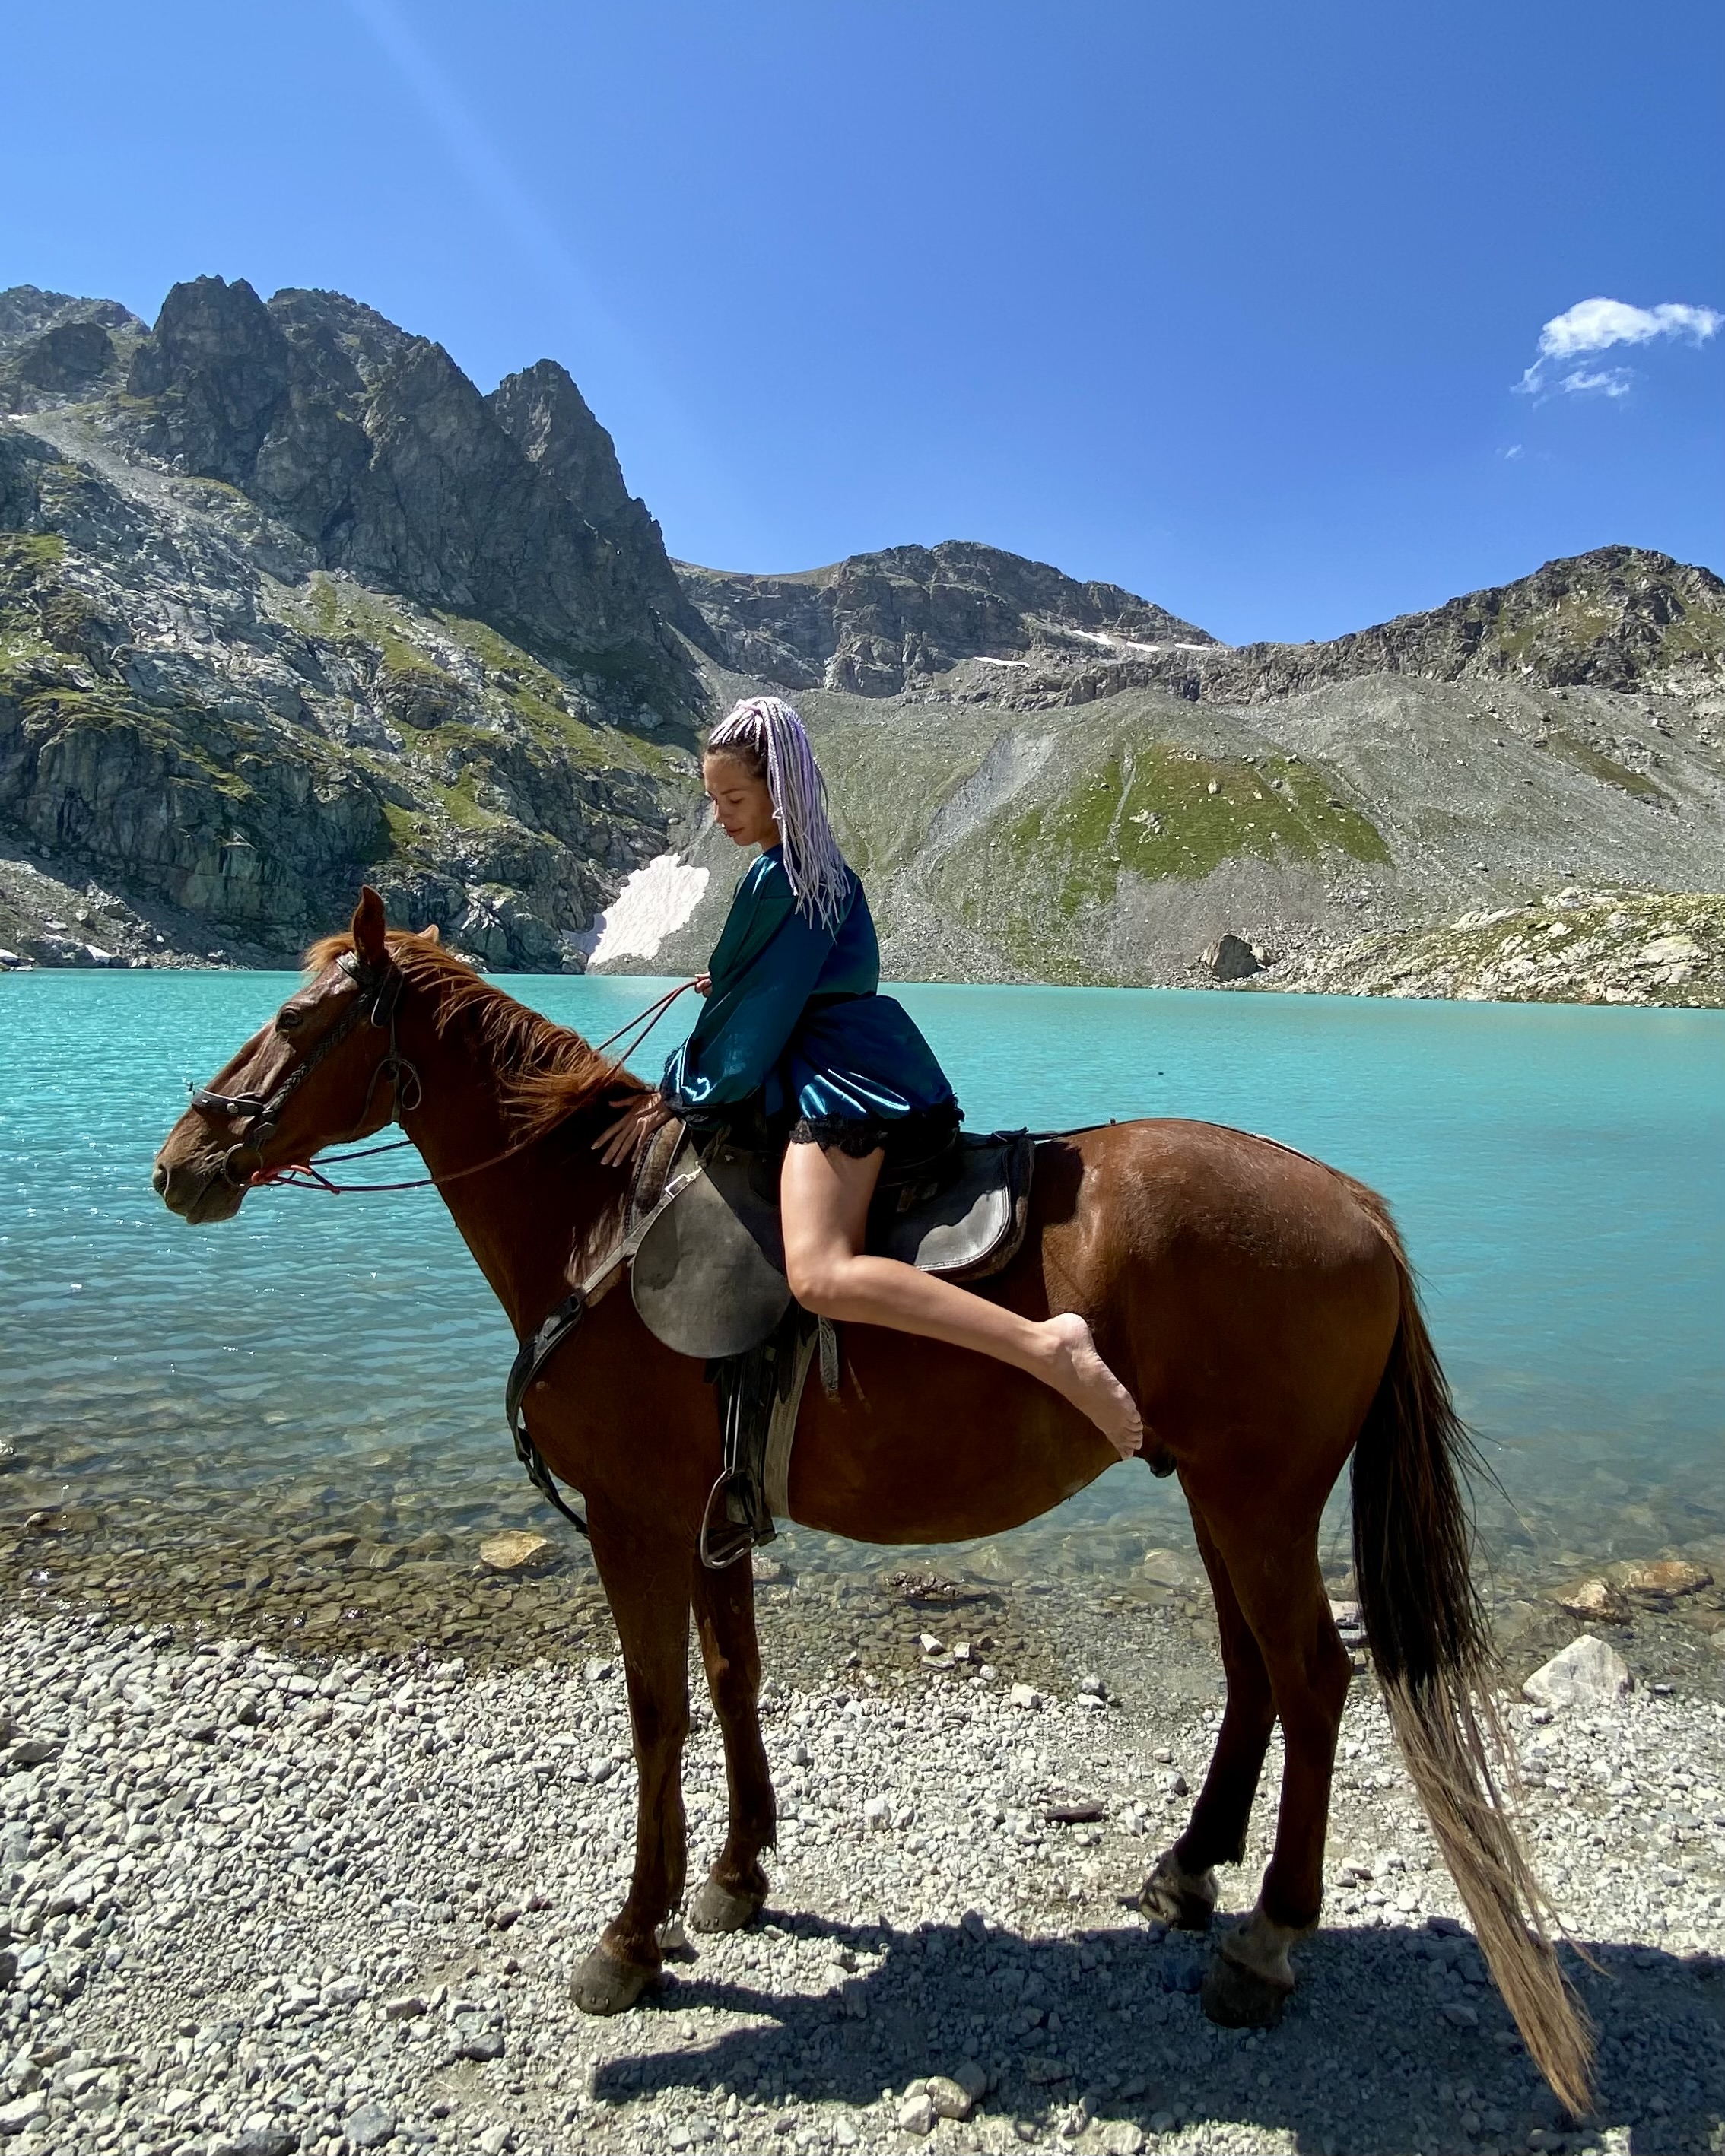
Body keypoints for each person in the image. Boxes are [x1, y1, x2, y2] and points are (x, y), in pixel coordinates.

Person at [596, 696, 1142, 1458]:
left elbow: (754, 1032)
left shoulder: (779, 878)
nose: (719, 815)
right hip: (863, 1055)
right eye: (712, 799)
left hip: (838, 1081)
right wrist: (729, 984)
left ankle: (1047, 1346)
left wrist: (683, 1084)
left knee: (819, 1273)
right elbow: (785, 983)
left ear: (778, 793)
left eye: (733, 798)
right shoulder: (822, 871)